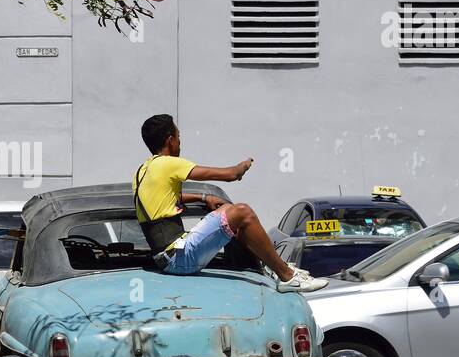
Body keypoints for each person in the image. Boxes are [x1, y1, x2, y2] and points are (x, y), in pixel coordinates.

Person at [133, 114, 326, 293]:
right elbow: (230, 175)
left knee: (227, 210)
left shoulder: (142, 171)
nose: (180, 141)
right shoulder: (167, 163)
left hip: (167, 258)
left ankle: (272, 267)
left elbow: (167, 200)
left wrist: (203, 198)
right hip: (179, 258)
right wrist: (242, 166)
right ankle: (287, 277)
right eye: (178, 135)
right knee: (242, 212)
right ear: (170, 140)